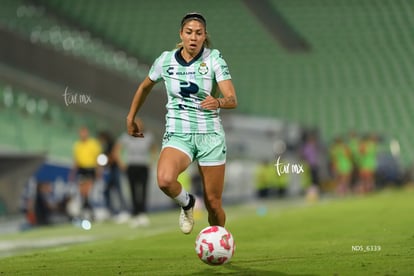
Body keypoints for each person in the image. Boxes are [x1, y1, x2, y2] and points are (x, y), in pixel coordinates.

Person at [126, 12, 237, 234]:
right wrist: (131, 117)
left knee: (214, 204)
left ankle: (220, 242)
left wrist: (217, 101)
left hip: (210, 137)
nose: (193, 38)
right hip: (179, 134)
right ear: (181, 34)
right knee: (165, 180)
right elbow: (145, 86)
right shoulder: (165, 60)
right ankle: (187, 203)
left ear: (205, 36)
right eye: (189, 33)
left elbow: (232, 99)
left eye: (198, 33)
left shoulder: (213, 58)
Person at [114, 120, 156, 227]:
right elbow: (117, 150)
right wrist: (121, 163)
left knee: (143, 190)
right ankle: (135, 213)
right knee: (132, 190)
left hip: (143, 166)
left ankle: (142, 213)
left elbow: (153, 149)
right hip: (131, 166)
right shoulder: (126, 136)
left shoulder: (147, 136)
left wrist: (151, 161)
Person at [70, 126, 102, 220]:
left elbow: (97, 158)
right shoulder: (77, 145)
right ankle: (87, 211)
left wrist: (98, 170)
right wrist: (72, 172)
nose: (83, 134)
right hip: (81, 169)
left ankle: (87, 210)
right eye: (81, 133)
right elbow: (76, 160)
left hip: (90, 168)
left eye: (84, 132)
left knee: (87, 191)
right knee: (82, 192)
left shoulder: (93, 144)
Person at [98, 130, 129, 221]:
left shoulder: (111, 144)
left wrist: (108, 161)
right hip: (110, 170)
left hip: (115, 170)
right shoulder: (104, 146)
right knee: (107, 190)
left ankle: (124, 211)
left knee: (119, 191)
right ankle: (110, 211)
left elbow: (113, 156)